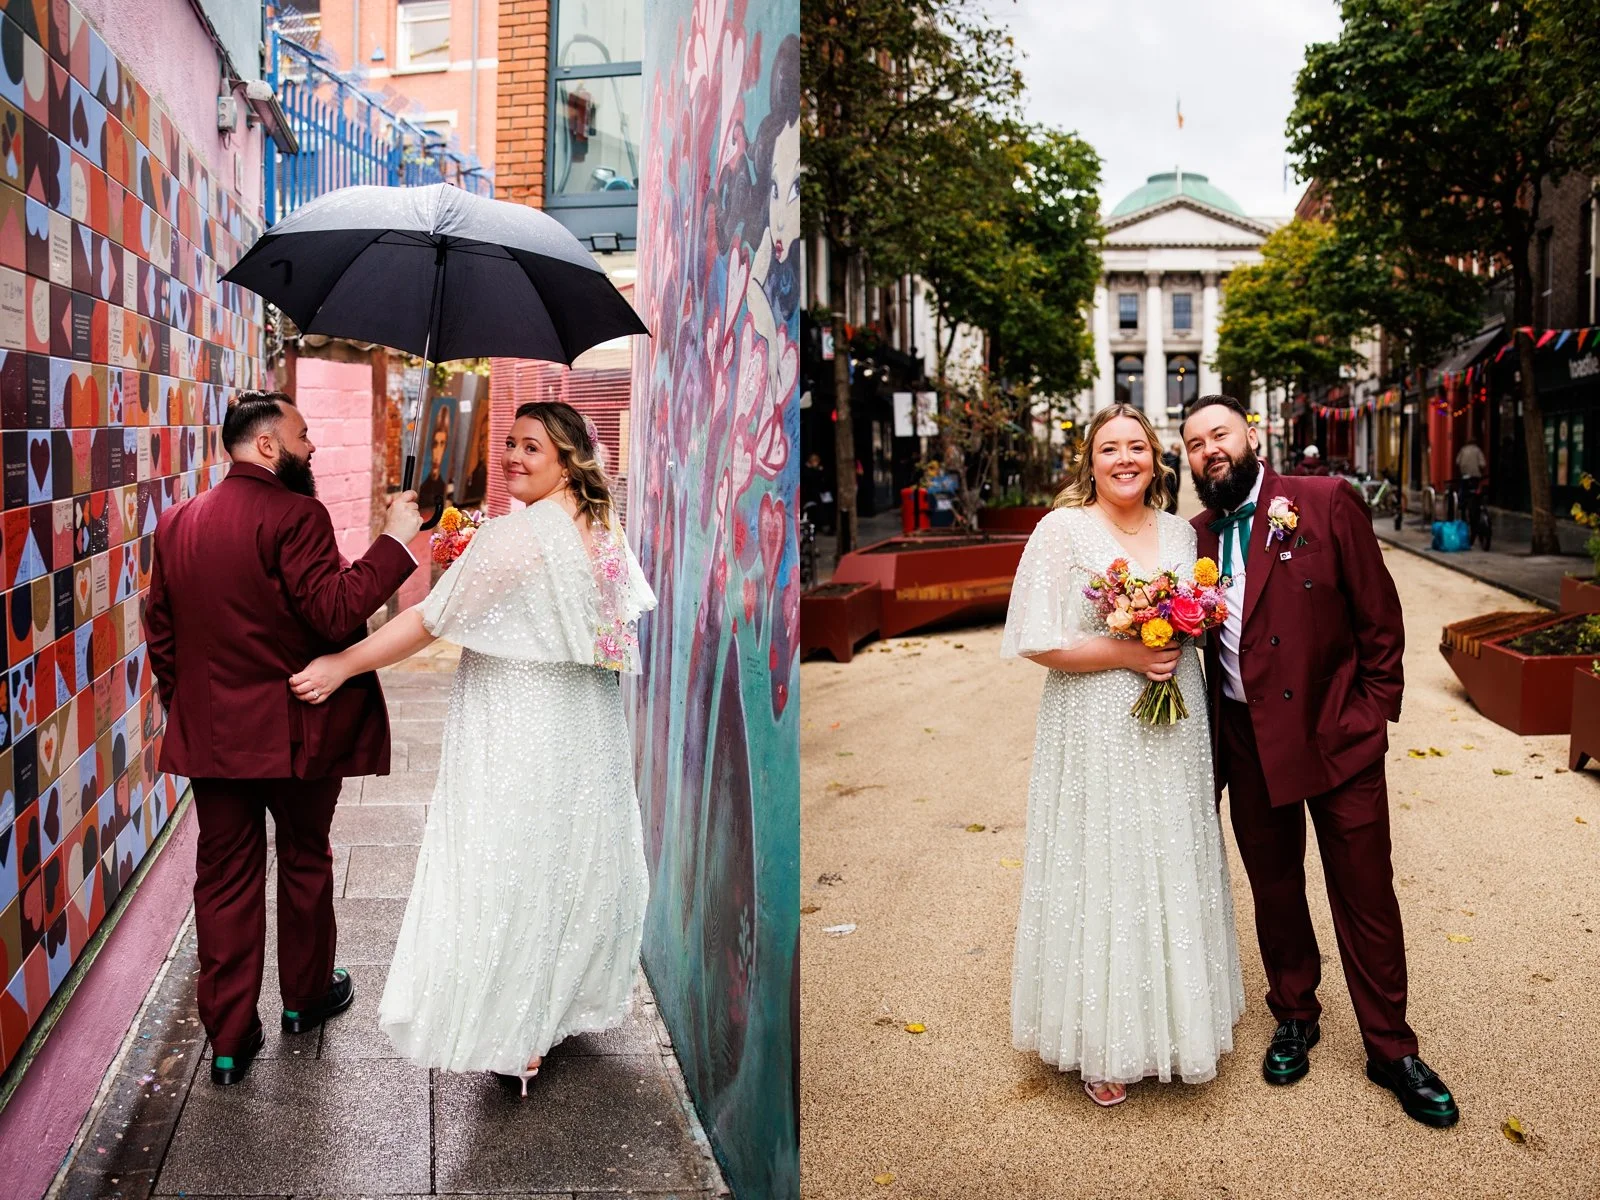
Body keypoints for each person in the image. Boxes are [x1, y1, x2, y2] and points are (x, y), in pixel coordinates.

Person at [289, 401, 656, 1095]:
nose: (513, 457)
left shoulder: (525, 534)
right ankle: (551, 1008)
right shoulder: (601, 526)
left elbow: (430, 619)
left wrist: (342, 664)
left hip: (520, 719)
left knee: (506, 858)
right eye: (510, 443)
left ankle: (513, 1031)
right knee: (563, 857)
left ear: (568, 458)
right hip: (583, 723)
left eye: (532, 448)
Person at [1181, 393, 1458, 1128]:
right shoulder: (1195, 538)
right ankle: (1295, 1013)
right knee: (1274, 888)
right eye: (1194, 443)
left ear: (1252, 436)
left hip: (1337, 735)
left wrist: (1371, 713)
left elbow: (1380, 617)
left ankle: (1392, 1047)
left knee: (1366, 893)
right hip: (1245, 739)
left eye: (1220, 434)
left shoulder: (1325, 501)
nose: (1209, 449)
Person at [143, 391, 422, 1087]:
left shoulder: (177, 524)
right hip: (299, 736)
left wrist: (196, 713)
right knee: (304, 859)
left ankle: (231, 1040)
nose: (313, 448)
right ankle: (305, 999)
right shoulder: (298, 515)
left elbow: (163, 636)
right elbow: (335, 612)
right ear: (268, 446)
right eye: (303, 435)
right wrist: (395, 540)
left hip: (216, 744)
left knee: (224, 879)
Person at [1002, 402, 1244, 1108]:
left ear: (1156, 458)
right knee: (1104, 860)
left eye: (1137, 446)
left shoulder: (1180, 532)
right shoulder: (1062, 530)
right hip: (1095, 724)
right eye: (1110, 448)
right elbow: (1036, 639)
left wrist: (1188, 624)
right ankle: (1103, 1037)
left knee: (1171, 854)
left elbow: (1201, 620)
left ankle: (1178, 1022)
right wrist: (1129, 650)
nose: (1125, 459)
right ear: (1091, 460)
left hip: (1176, 723)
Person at [1162, 441, 1183, 513]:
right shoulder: (1173, 457)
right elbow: (1172, 472)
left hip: (1170, 483)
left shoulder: (1169, 456)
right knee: (1173, 505)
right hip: (1171, 484)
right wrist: (1172, 486)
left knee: (1171, 504)